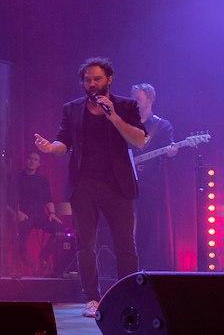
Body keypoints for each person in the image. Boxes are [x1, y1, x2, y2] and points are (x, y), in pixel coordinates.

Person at [35, 57, 145, 318]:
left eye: (97, 79)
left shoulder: (126, 106)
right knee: (86, 244)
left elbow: (138, 140)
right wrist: (52, 148)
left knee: (125, 244)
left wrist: (113, 116)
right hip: (83, 184)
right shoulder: (72, 108)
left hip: (118, 185)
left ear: (109, 79)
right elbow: (64, 143)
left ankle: (129, 297)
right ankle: (92, 298)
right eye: (87, 80)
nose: (92, 84)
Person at [131, 83, 177, 270]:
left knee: (145, 227)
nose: (134, 102)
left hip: (149, 185)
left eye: (138, 99)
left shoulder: (162, 125)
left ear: (150, 99)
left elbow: (169, 148)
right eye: (132, 98)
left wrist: (172, 151)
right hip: (125, 181)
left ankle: (143, 268)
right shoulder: (127, 123)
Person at [7, 152, 64, 274]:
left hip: (39, 216)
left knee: (59, 228)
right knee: (26, 221)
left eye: (35, 159)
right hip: (23, 216)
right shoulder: (17, 179)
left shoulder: (42, 180)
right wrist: (16, 213)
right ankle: (22, 253)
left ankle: (43, 256)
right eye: (30, 158)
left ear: (39, 164)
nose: (32, 161)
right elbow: (9, 200)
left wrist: (52, 214)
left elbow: (48, 200)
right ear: (26, 160)